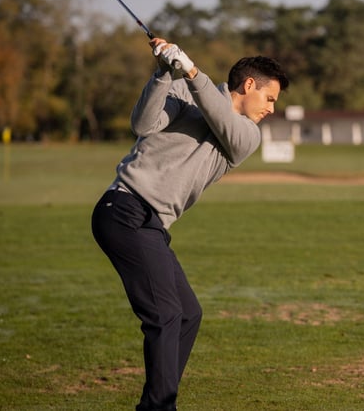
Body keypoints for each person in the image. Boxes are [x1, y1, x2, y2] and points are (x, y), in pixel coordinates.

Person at [91, 38, 289, 410]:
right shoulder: (181, 89)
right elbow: (142, 124)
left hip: (151, 225)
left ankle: (156, 405)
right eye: (270, 98)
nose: (272, 108)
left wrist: (194, 72)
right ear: (249, 86)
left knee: (187, 315)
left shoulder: (246, 134)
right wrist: (165, 73)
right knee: (166, 314)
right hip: (123, 209)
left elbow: (220, 118)